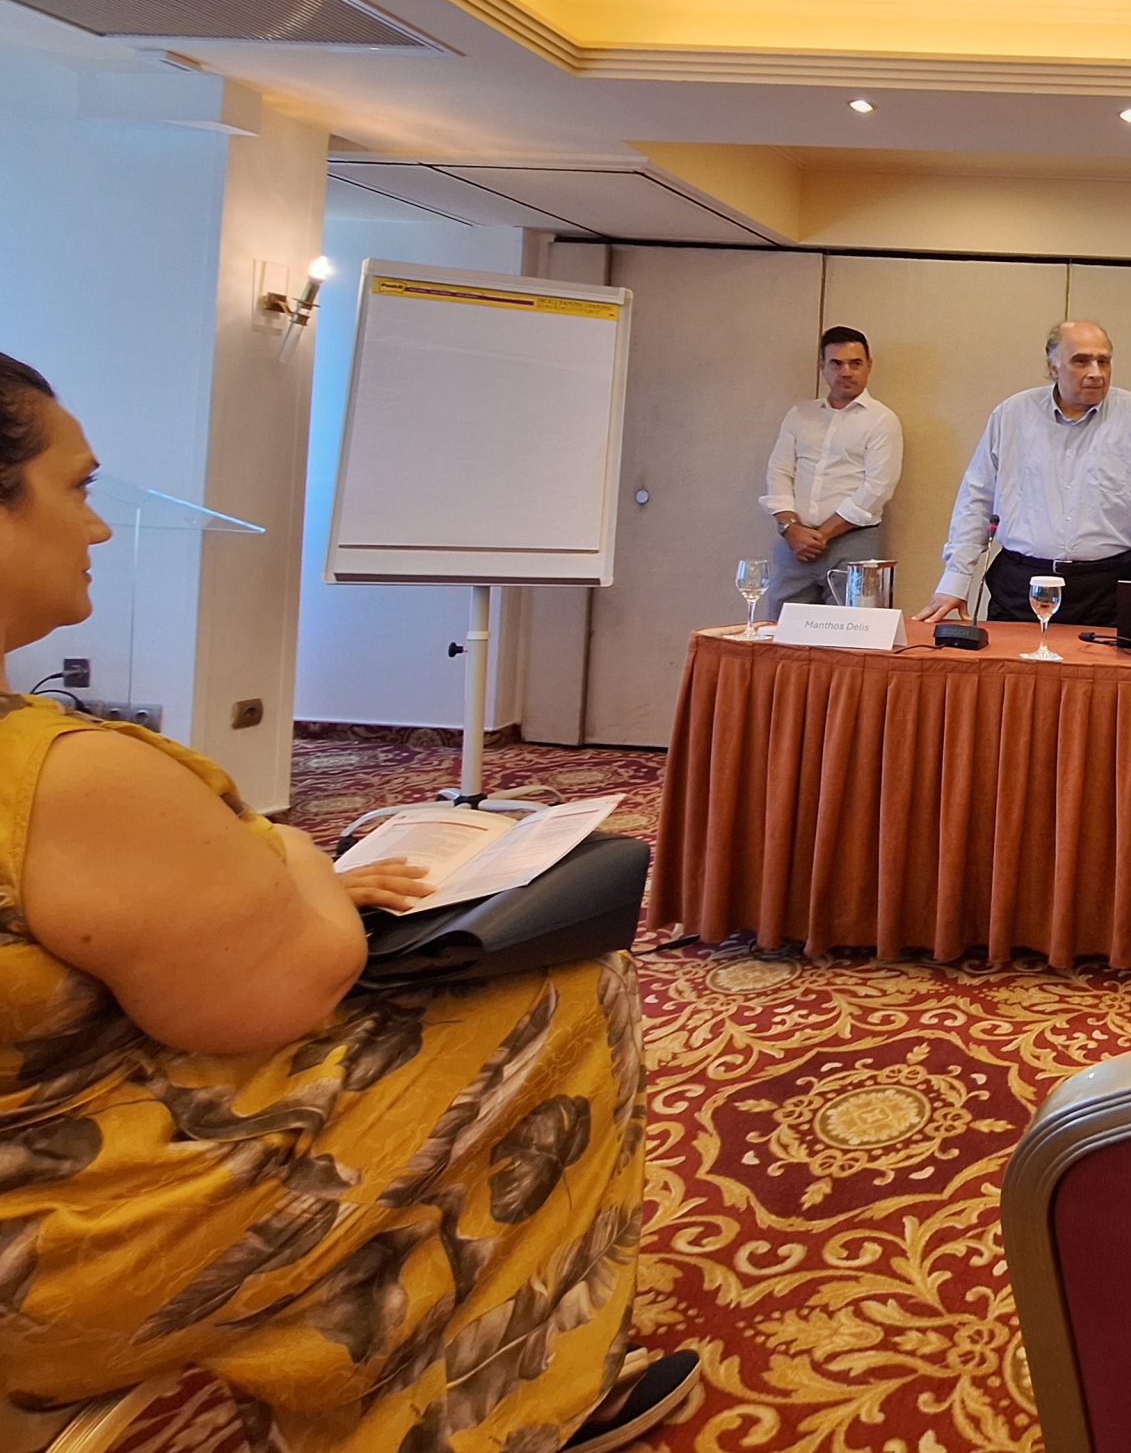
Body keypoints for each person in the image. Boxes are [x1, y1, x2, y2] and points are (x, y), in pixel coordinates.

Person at [0, 351, 697, 1452]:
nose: (97, 527)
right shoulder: (65, 775)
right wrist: (291, 854)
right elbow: (279, 996)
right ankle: (492, 1408)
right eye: (78, 487)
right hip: (64, 1246)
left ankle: (372, 1354)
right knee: (559, 986)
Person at [916, 320, 1131, 629]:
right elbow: (976, 501)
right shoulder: (1012, 414)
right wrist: (955, 580)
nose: (1096, 372)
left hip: (1106, 590)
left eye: (1104, 361)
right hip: (1020, 586)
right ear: (1053, 367)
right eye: (1081, 361)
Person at [757, 324, 904, 619]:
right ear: (822, 366)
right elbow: (779, 472)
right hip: (795, 543)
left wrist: (820, 536)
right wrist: (791, 528)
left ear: (869, 366)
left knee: (851, 632)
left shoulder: (882, 420)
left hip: (853, 541)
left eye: (855, 363)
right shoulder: (799, 415)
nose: (845, 372)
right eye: (836, 363)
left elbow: (878, 487)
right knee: (783, 631)